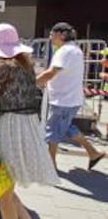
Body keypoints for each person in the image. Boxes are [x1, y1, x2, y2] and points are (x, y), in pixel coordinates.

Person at [0, 23, 59, 219]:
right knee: (7, 188)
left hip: (9, 128)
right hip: (26, 128)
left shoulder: (4, 68)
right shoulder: (26, 66)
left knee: (5, 195)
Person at [37, 22, 106, 170]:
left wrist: (33, 82)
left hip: (63, 100)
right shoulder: (73, 50)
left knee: (52, 130)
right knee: (66, 127)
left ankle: (50, 165)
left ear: (61, 34)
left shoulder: (65, 51)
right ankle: (93, 152)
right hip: (69, 99)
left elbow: (51, 72)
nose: (50, 37)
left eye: (52, 34)